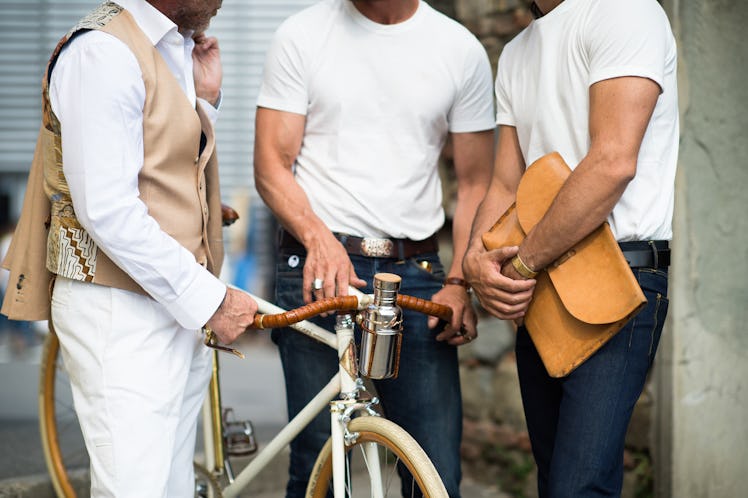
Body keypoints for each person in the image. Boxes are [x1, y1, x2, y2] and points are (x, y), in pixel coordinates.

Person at [0, 1, 258, 496]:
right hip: (120, 312)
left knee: (172, 486)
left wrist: (205, 101)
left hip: (172, 303)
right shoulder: (102, 53)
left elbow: (161, 164)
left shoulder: (175, 47)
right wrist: (213, 300)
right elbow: (108, 210)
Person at [253, 0, 495, 496]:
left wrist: (458, 283)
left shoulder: (459, 48)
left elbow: (476, 183)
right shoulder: (302, 35)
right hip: (316, 263)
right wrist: (319, 238)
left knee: (436, 473)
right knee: (318, 467)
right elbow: (271, 164)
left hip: (419, 270)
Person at [462, 0, 678, 496]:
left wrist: (521, 262)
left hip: (616, 278)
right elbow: (504, 183)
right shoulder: (518, 51)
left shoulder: (625, 12)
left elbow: (612, 163)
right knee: (555, 480)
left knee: (578, 487)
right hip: (538, 285)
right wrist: (476, 257)